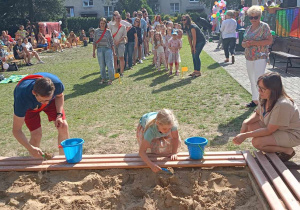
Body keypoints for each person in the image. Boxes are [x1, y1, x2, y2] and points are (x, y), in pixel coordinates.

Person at [233, 72, 300, 162]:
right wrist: (246, 122)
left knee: (257, 143)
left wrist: (245, 135)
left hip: (292, 134)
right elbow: (257, 114)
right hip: (278, 127)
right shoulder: (265, 97)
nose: (259, 91)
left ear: (273, 89)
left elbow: (269, 130)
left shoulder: (282, 105)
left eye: (262, 89)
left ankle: (287, 151)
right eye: (259, 87)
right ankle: (275, 146)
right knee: (250, 126)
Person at [13, 72, 69, 158]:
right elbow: (16, 130)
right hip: (30, 107)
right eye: (42, 101)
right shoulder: (22, 98)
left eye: (47, 100)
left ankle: (64, 159)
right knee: (36, 134)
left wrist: (59, 115)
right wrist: (30, 148)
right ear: (34, 92)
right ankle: (35, 163)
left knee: (63, 126)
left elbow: (59, 96)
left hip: (52, 102)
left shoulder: (57, 84)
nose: (45, 104)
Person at [242, 5, 272, 108]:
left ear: (260, 16)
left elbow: (269, 41)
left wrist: (254, 42)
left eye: (256, 17)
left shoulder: (264, 26)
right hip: (249, 56)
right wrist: (245, 44)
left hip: (260, 56)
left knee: (259, 79)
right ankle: (255, 100)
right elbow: (243, 42)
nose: (253, 19)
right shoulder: (248, 28)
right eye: (251, 17)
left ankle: (262, 100)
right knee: (251, 78)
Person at [93, 18, 115, 85]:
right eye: (101, 23)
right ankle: (103, 78)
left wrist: (114, 51)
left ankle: (111, 78)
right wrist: (93, 51)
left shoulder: (108, 31)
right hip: (100, 49)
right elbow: (94, 42)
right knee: (102, 65)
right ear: (99, 24)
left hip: (108, 49)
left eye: (103, 23)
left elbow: (111, 42)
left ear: (105, 24)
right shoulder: (96, 31)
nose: (102, 25)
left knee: (110, 64)